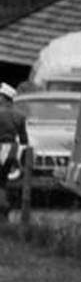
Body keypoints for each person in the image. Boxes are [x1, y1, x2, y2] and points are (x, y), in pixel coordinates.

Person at [0, 84, 26, 222]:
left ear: (4, 98)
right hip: (11, 152)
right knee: (3, 181)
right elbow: (24, 140)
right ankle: (5, 209)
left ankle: (3, 208)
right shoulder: (20, 116)